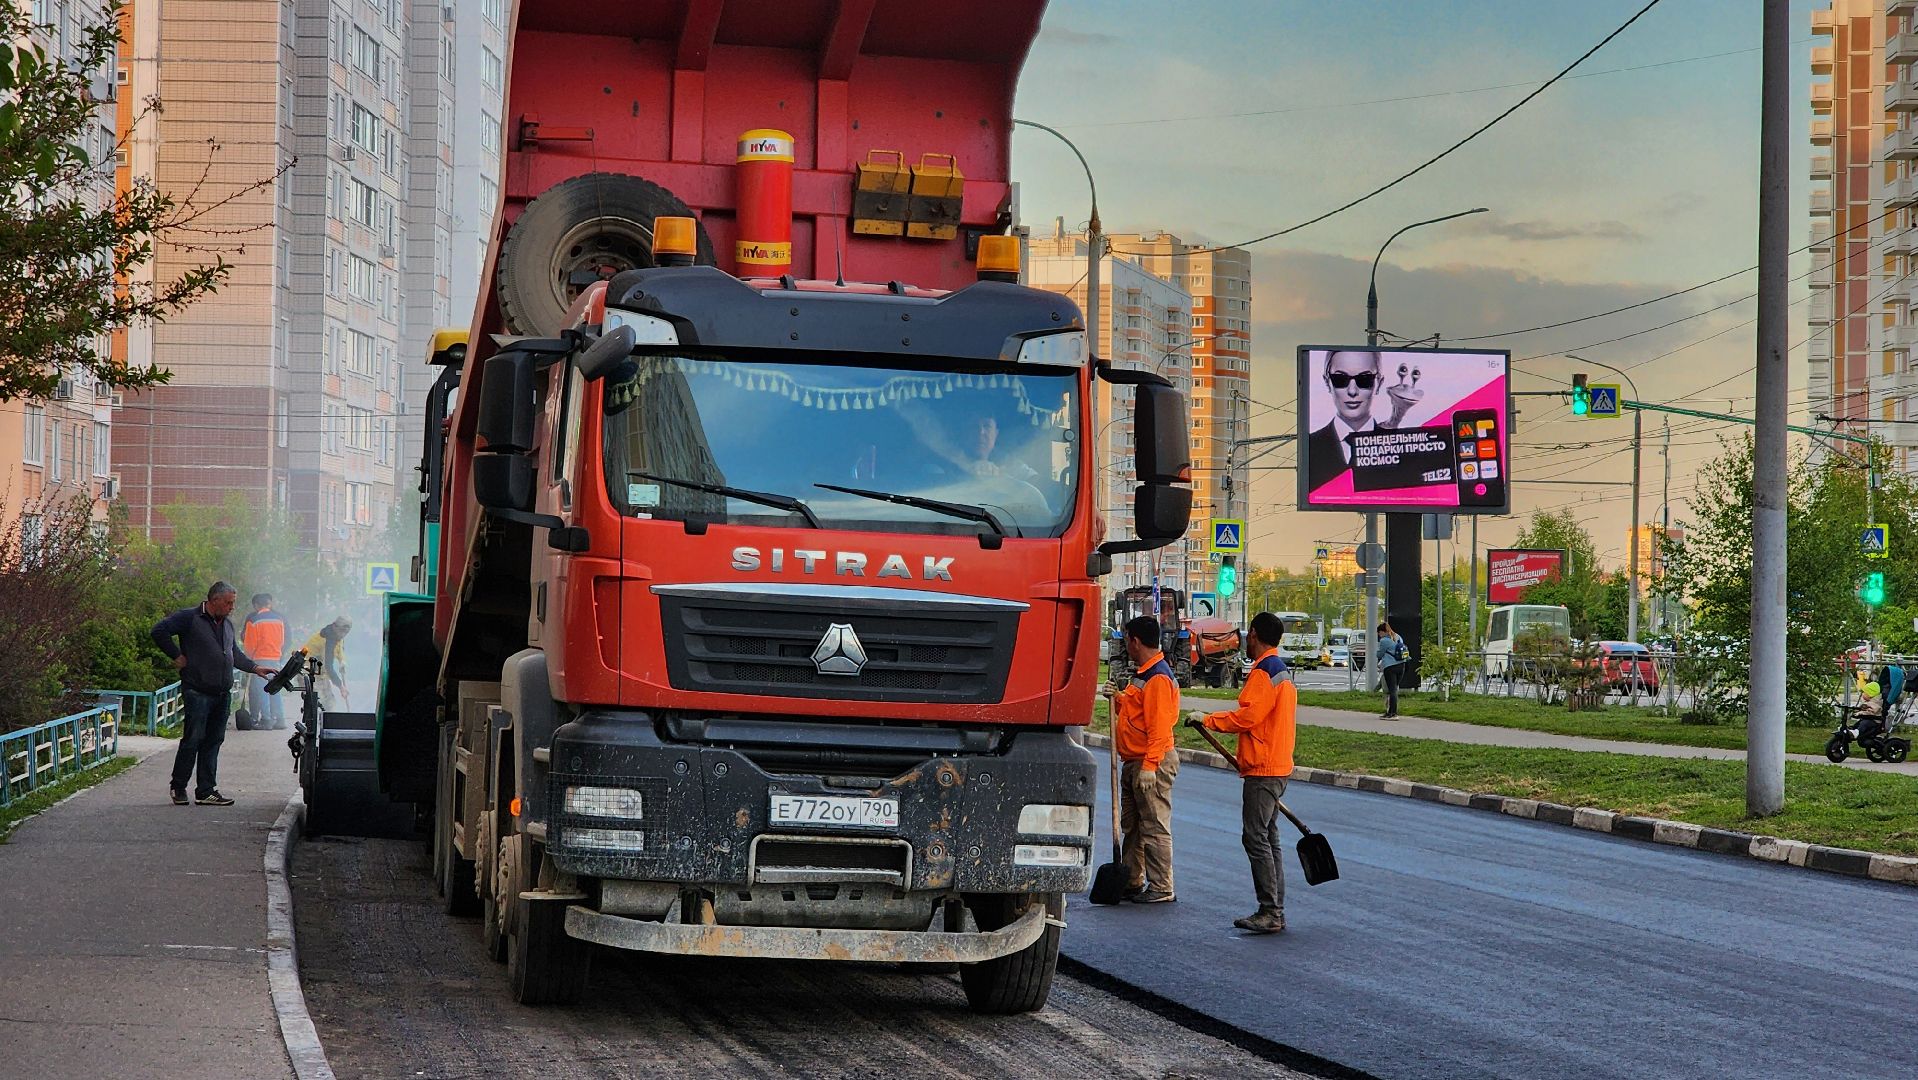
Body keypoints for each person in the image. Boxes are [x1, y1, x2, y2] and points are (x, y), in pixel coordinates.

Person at [1194, 611, 1297, 934]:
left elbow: (1248, 718)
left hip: (1263, 769)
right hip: (1277, 764)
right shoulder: (1280, 670)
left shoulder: (1265, 672)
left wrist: (1208, 719)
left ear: (1254, 634)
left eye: (1247, 636)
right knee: (1269, 837)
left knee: (1256, 837)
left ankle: (1270, 911)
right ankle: (1275, 908)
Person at [151, 582, 278, 806]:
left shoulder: (227, 624)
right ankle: (178, 787)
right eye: (229, 602)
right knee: (193, 739)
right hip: (197, 690)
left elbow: (234, 653)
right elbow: (158, 631)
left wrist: (254, 668)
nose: (232, 607)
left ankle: (206, 790)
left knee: (213, 741)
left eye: (233, 603)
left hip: (221, 693)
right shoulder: (190, 617)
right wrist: (176, 655)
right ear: (215, 600)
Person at [1106, 615, 1180, 904]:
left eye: (1127, 638)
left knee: (1153, 825)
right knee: (1134, 826)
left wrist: (1150, 767)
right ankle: (1133, 879)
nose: (1126, 644)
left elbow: (1159, 728)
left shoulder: (1158, 677)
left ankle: (1162, 886)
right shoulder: (1144, 673)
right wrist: (1119, 698)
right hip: (1134, 761)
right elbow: (1138, 713)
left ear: (1135, 641)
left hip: (1151, 762)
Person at [1305, 349, 1383, 493]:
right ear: (1327, 382)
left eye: (1364, 380)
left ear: (1378, 383)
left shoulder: (1400, 448)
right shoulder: (1309, 448)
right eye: (1340, 380)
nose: (1352, 391)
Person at [241, 593, 287, 730]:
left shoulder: (254, 620)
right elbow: (282, 641)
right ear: (269, 604)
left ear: (256, 605)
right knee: (275, 688)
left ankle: (266, 720)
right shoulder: (279, 620)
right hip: (275, 657)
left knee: (262, 690)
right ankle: (280, 719)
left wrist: (249, 660)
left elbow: (250, 645)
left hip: (260, 659)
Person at [303, 616, 353, 712]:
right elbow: (328, 666)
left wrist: (342, 661)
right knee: (321, 701)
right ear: (335, 626)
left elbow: (340, 649)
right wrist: (341, 686)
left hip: (319, 671)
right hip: (308, 671)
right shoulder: (327, 640)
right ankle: (317, 724)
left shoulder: (336, 634)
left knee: (329, 701)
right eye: (342, 630)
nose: (343, 634)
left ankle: (325, 722)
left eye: (346, 632)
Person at [1376, 621, 1407, 719]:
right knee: (1395, 689)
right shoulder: (1397, 637)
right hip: (1401, 665)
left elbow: (1380, 654)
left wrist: (1378, 654)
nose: (1379, 636)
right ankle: (1391, 712)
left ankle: (1392, 713)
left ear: (1383, 632)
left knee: (1392, 690)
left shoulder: (1384, 640)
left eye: (1379, 633)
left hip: (1390, 667)